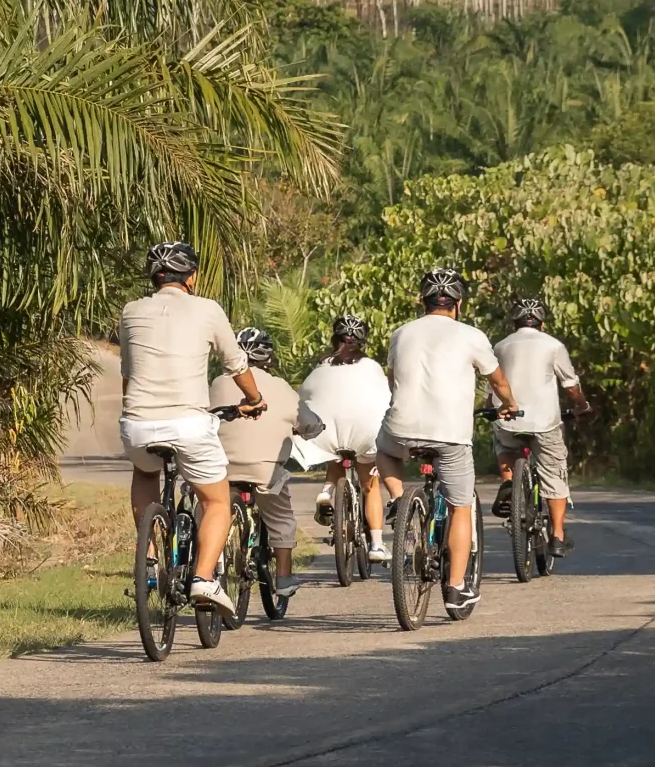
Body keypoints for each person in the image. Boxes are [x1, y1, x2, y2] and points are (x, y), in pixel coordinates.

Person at [118, 240, 263, 616]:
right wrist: (254, 399)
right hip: (189, 424)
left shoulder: (131, 310)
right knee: (216, 501)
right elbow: (236, 364)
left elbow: (128, 375)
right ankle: (202, 578)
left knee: (144, 469)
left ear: (153, 276)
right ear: (192, 277)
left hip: (137, 424)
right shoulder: (208, 309)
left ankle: (149, 560)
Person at [375, 266, 516, 621]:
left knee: (385, 450)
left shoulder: (401, 333)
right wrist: (509, 405)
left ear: (422, 302)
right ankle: (455, 589)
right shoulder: (471, 335)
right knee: (460, 506)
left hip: (402, 427)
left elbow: (392, 379)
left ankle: (396, 499)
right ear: (458, 303)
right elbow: (497, 381)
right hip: (450, 435)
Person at [211, 326, 302, 603]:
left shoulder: (216, 383)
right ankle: (284, 579)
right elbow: (305, 421)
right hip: (265, 470)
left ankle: (213, 570)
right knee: (281, 518)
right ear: (268, 359)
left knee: (215, 512)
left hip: (222, 467)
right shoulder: (281, 387)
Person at [491, 297, 587, 553]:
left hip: (509, 420)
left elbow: (490, 383)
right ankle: (557, 536)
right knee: (554, 473)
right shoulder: (553, 345)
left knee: (503, 442)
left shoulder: (500, 346)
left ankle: (510, 484)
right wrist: (581, 405)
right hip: (545, 423)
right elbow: (570, 384)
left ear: (515, 322)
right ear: (542, 323)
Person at [300, 313, 396, 560]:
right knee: (370, 486)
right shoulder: (372, 367)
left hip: (326, 433)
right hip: (365, 433)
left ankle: (327, 491)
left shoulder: (320, 366)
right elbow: (386, 397)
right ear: (362, 342)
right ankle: (376, 544)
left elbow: (304, 396)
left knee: (335, 448)